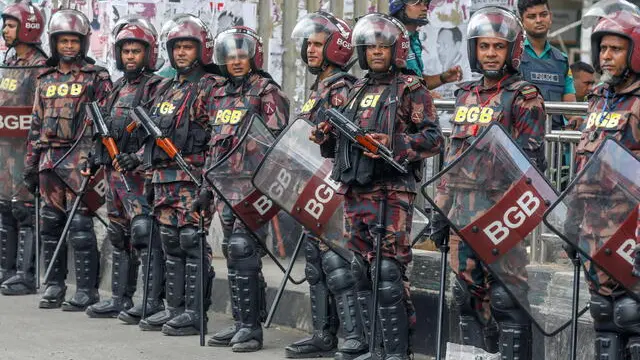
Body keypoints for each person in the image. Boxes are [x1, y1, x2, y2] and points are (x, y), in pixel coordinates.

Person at [312, 13, 443, 360]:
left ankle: (398, 352)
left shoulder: (411, 89)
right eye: (370, 48)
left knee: (388, 272)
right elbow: (340, 143)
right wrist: (325, 137)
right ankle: (375, 348)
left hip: (392, 191)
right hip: (356, 190)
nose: (376, 53)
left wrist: (393, 142)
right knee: (360, 271)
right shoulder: (355, 91)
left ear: (396, 50)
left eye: (383, 47)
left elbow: (433, 139)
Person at [430, 7, 546, 359]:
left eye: (498, 47)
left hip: (501, 217)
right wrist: (439, 212)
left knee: (506, 297)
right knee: (466, 299)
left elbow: (530, 165)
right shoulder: (465, 95)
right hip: (461, 218)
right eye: (484, 47)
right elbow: (451, 159)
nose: (491, 54)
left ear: (512, 51)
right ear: (474, 51)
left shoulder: (525, 96)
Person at [192, 25, 290, 353]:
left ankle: (251, 328)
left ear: (253, 57)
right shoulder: (218, 94)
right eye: (230, 56)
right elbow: (213, 146)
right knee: (233, 259)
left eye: (242, 55)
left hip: (253, 187)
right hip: (224, 188)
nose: (236, 61)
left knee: (242, 250)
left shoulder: (266, 91)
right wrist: (205, 185)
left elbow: (275, 145)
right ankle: (240, 322)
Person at [137, 14, 222, 336]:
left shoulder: (211, 87)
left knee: (191, 241)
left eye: (188, 47)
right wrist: (147, 175)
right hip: (163, 178)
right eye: (177, 47)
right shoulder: (165, 88)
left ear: (201, 49)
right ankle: (175, 308)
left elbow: (218, 136)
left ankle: (195, 312)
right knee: (170, 243)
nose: (182, 53)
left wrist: (209, 183)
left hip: (192, 176)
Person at [23, 9, 112, 310]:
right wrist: (30, 165)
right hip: (49, 159)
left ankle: (87, 291)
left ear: (83, 43)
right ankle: (54, 286)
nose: (69, 47)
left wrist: (98, 158)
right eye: (63, 41)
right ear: (54, 43)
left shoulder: (96, 77)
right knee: (50, 226)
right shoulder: (44, 78)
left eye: (74, 41)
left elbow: (105, 122)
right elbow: (36, 123)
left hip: (81, 159)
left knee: (81, 228)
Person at [284, 11, 359, 359]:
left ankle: (352, 337)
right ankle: (322, 334)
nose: (311, 50)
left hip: (335, 190)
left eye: (318, 44)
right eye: (308, 44)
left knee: (337, 264)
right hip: (315, 189)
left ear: (336, 48)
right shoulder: (320, 87)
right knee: (315, 262)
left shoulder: (341, 88)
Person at [570, 2, 640, 358]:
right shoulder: (598, 99)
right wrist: (570, 225)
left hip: (631, 232)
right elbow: (583, 162)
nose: (607, 56)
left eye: (617, 48)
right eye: (603, 49)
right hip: (594, 230)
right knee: (604, 317)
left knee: (633, 316)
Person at [83, 17, 166, 320]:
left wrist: (140, 156)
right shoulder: (116, 88)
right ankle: (120, 298)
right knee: (118, 234)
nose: (130, 56)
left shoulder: (157, 87)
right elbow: (102, 128)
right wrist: (94, 155)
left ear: (149, 53)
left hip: (139, 175)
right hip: (113, 172)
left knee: (144, 232)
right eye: (126, 51)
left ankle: (150, 302)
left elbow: (161, 130)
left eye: (137, 51)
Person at [0, 1, 47, 296]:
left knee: (24, 209)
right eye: (5, 25)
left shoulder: (39, 66)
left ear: (27, 29)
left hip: (24, 150)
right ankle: (5, 269)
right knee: (5, 207)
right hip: (4, 148)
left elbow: (40, 112)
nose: (5, 30)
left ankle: (25, 273)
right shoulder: (9, 61)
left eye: (11, 25)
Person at [517, 0, 576, 130]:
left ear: (550, 17)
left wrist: (576, 120)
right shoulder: (513, 57)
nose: (539, 20)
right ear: (522, 22)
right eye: (532, 16)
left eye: (543, 15)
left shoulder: (561, 60)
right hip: (519, 140)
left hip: (553, 141)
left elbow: (570, 108)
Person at [389, 0, 462, 90]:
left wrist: (443, 78)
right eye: (417, 3)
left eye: (425, 4)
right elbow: (386, 83)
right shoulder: (390, 40)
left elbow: (418, 80)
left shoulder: (414, 39)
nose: (424, 8)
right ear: (399, 6)